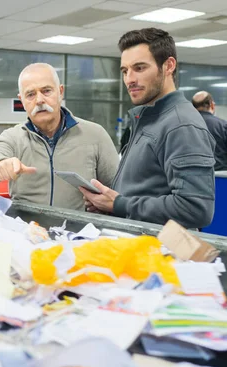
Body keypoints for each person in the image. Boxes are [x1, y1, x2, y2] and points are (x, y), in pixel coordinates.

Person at [80, 28, 216, 229]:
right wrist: (109, 205)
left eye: (140, 68)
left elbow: (195, 208)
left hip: (161, 255)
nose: (129, 79)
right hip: (138, 248)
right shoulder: (149, 119)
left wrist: (119, 204)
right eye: (125, 71)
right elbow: (146, 190)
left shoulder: (181, 125)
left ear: (168, 66)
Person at [0, 63, 119, 210]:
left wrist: (105, 206)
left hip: (81, 231)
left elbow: (118, 187)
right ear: (21, 100)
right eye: (30, 94)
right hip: (28, 230)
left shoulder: (95, 134)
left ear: (60, 92)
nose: (39, 100)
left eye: (46, 91)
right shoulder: (13, 137)